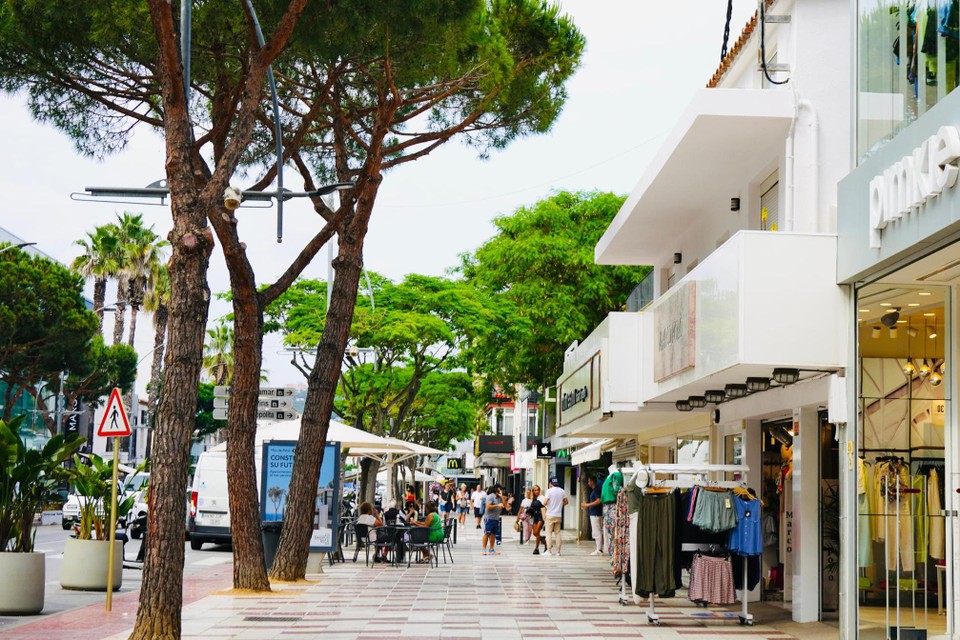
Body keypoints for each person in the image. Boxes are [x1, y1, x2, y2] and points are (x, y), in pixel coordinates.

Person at [542, 476, 567, 556]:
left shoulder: (549, 491)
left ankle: (549, 551)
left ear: (550, 483)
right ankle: (558, 551)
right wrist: (559, 505)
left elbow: (545, 502)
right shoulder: (562, 491)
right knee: (558, 533)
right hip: (558, 515)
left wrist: (547, 503)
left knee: (548, 533)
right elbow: (566, 502)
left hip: (550, 514)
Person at [581, 476, 604, 555]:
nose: (588, 483)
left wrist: (588, 505)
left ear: (592, 481)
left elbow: (599, 500)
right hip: (594, 513)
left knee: (597, 531)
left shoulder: (596, 490)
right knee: (597, 530)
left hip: (596, 513)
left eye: (589, 481)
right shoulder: (594, 490)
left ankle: (599, 549)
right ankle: (598, 547)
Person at [481, 485, 503, 555]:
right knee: (487, 533)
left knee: (493, 534)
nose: (500, 490)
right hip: (489, 518)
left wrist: (502, 497)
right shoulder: (491, 496)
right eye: (499, 489)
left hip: (496, 518)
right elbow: (488, 506)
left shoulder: (499, 498)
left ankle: (491, 549)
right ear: (496, 489)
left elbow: (505, 506)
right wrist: (497, 505)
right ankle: (484, 549)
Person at [526, 485, 546, 554]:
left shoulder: (542, 498)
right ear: (533, 491)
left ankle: (536, 548)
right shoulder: (533, 499)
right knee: (535, 533)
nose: (537, 491)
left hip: (541, 516)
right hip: (535, 516)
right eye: (535, 490)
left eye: (538, 490)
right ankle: (545, 543)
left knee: (537, 532)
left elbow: (546, 506)